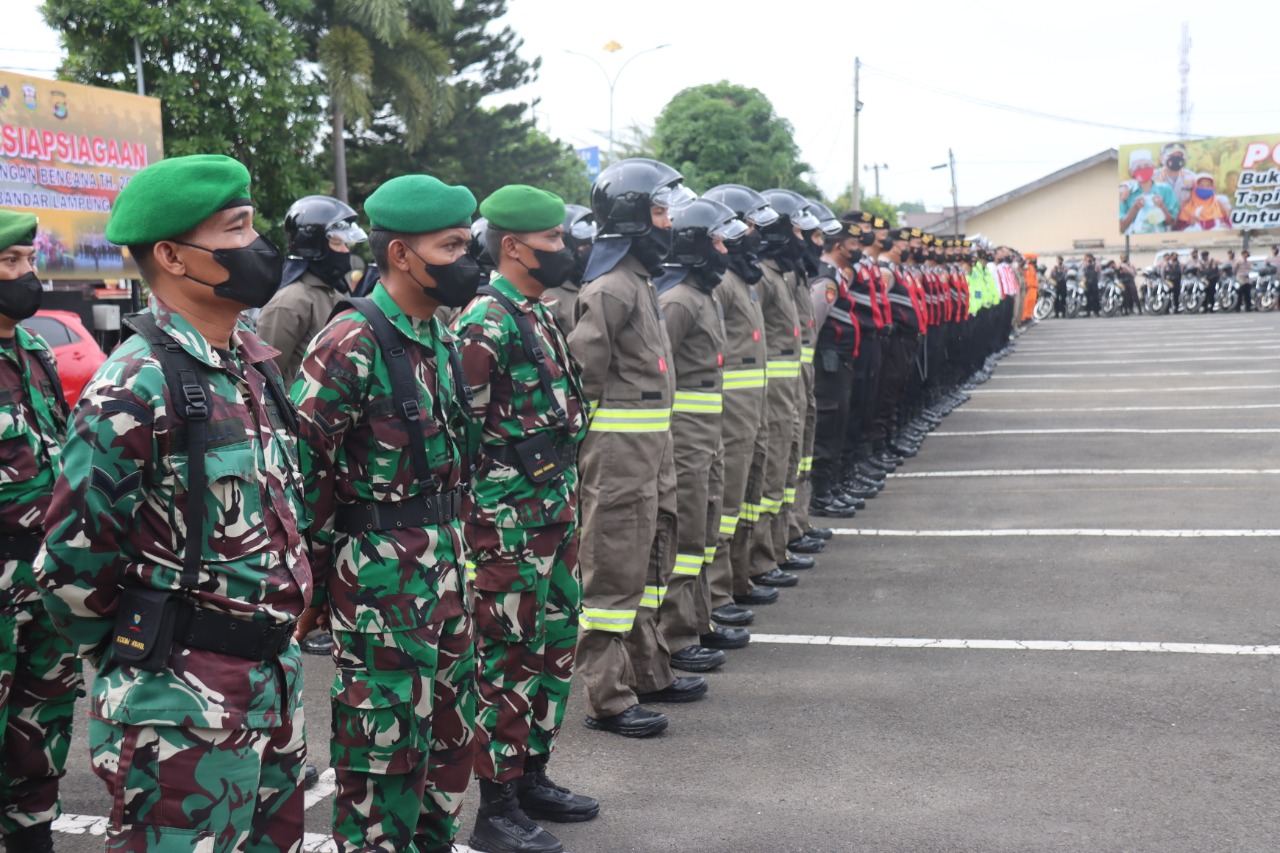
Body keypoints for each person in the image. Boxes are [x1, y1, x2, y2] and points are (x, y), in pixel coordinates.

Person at [38, 154, 312, 849]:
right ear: (172, 255)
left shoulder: (250, 366)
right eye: (237, 227)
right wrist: (146, 654)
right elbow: (71, 566)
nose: (259, 244)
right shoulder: (135, 385)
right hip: (178, 712)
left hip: (273, 690)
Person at [291, 173, 479, 852]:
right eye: (452, 245)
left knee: (447, 754)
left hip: (446, 576)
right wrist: (311, 583)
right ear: (401, 255)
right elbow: (301, 470)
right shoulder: (350, 340)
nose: (468, 258)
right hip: (380, 588)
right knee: (383, 762)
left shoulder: (440, 334)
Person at [452, 184, 596, 853]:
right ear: (513, 245)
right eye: (554, 240)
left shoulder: (533, 312)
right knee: (505, 661)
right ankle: (496, 806)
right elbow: (461, 434)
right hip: (504, 528)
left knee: (553, 651)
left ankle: (532, 774)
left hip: (552, 518)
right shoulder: (486, 319)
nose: (565, 250)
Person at [567, 158, 705, 738]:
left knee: (651, 559)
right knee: (610, 568)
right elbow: (583, 379)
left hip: (653, 448)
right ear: (630, 216)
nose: (668, 222)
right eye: (658, 210)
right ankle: (607, 695)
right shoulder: (610, 289)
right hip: (620, 452)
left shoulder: (641, 282)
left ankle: (647, 670)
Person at [0, 211, 77, 853]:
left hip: (40, 575)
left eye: (29, 261)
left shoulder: (34, 352)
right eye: (12, 264)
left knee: (41, 725)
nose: (29, 276)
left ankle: (33, 838)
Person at [650, 198, 749, 677]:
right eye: (714, 239)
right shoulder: (677, 300)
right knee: (684, 532)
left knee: (705, 531)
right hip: (684, 434)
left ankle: (698, 619)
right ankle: (675, 634)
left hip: (708, 434)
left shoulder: (702, 294)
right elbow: (659, 369)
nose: (723, 249)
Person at [699, 185, 779, 625]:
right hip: (726, 408)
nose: (752, 233)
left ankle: (739, 576)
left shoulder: (744, 278)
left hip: (753, 404)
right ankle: (716, 592)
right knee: (724, 503)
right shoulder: (722, 283)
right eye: (746, 225)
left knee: (747, 493)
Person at [257, 195, 369, 383]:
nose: (345, 251)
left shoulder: (336, 294)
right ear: (314, 245)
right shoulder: (290, 302)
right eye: (337, 243)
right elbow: (266, 378)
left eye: (345, 244)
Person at [545, 204, 596, 335]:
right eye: (584, 247)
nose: (590, 252)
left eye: (591, 246)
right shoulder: (549, 295)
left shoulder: (594, 283)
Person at [1120, 149, 1179, 235]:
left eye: (1147, 165)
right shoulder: (1125, 193)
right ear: (1131, 171)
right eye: (1138, 167)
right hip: (1134, 243)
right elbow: (1122, 226)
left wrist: (1161, 206)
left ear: (1153, 167)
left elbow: (1171, 222)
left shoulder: (1165, 189)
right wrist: (1135, 208)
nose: (1143, 169)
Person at [1153, 141, 1195, 208]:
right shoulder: (1153, 176)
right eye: (1171, 156)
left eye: (1179, 155)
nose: (1176, 159)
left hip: (1183, 217)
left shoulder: (1192, 177)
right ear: (1161, 159)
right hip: (1160, 216)